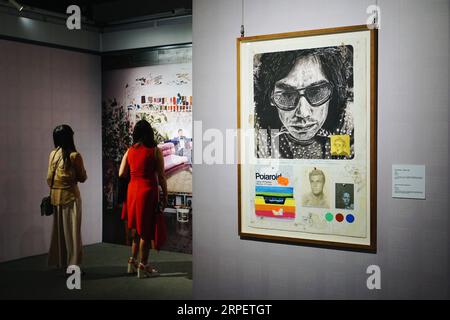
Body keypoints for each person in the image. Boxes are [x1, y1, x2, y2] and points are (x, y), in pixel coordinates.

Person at [254, 46, 354, 159]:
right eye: (287, 95)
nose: (303, 113)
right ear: (270, 97)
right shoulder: (256, 129)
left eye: (316, 93)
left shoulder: (350, 122)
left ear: (333, 92)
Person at [119, 120, 168, 278]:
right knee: (145, 231)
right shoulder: (154, 151)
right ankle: (143, 266)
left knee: (136, 230)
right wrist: (165, 195)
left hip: (132, 191)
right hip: (147, 192)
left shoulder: (130, 150)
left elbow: (121, 173)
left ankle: (131, 262)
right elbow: (161, 176)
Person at [47, 124, 87, 271]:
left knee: (60, 234)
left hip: (56, 197)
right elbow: (82, 177)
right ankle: (73, 266)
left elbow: (48, 178)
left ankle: (62, 262)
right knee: (73, 234)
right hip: (71, 197)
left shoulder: (53, 154)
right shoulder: (74, 156)